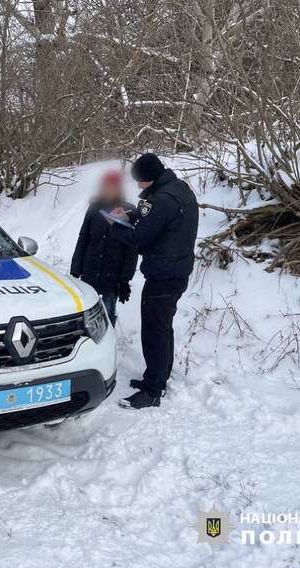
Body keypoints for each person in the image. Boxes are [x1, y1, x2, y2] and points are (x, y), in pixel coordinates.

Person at [106, 153, 199, 409]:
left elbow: (138, 237)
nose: (138, 185)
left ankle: (153, 391)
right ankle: (157, 377)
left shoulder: (162, 199)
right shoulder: (178, 189)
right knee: (162, 327)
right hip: (175, 270)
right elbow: (159, 221)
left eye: (140, 181)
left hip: (163, 274)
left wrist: (116, 223)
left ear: (151, 177)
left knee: (154, 331)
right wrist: (132, 214)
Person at [70, 170, 138, 325]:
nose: (108, 190)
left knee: (107, 315)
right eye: (106, 186)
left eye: (112, 187)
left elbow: (131, 248)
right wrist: (75, 270)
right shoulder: (94, 209)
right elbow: (83, 239)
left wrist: (125, 279)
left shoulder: (128, 211)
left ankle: (108, 337)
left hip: (112, 275)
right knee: (86, 316)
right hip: (90, 272)